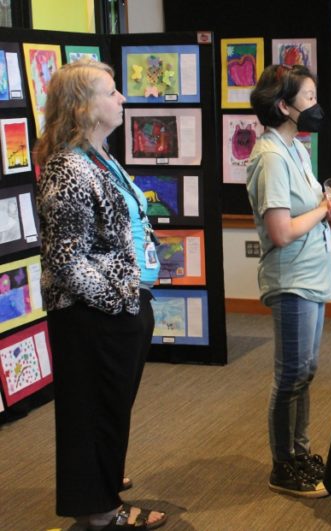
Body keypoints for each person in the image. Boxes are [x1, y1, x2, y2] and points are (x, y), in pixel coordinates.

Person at [35, 59, 167, 529]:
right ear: (84, 107)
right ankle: (102, 513)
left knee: (108, 409)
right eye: (112, 92)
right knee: (92, 413)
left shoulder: (101, 156)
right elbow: (66, 263)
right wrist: (120, 299)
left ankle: (102, 482)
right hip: (93, 315)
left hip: (119, 308)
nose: (122, 99)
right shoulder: (68, 169)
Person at [246, 64, 331, 498]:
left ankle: (300, 453)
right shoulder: (270, 156)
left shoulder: (297, 150)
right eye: (307, 98)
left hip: (311, 275)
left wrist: (326, 203)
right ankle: (283, 465)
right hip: (291, 279)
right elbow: (281, 231)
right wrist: (326, 209)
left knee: (305, 372)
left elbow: (304, 211)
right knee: (291, 374)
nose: (315, 106)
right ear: (284, 106)